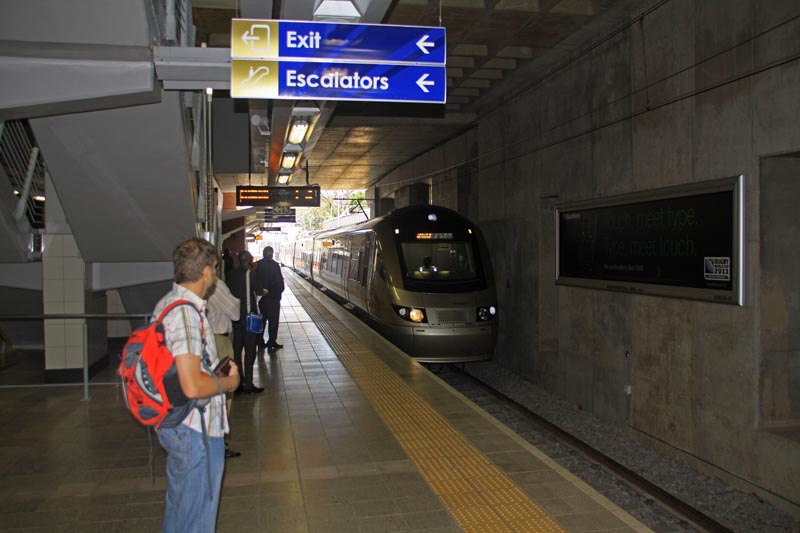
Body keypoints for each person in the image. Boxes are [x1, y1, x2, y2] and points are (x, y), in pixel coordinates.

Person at [152, 237, 240, 533]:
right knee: (197, 517)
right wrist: (228, 382)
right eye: (213, 269)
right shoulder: (185, 314)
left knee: (181, 508)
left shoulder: (168, 304)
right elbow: (191, 387)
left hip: (180, 424)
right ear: (205, 272)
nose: (214, 275)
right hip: (195, 429)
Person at [206, 276, 241, 459]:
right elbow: (235, 313)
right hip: (219, 340)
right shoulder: (215, 285)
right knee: (223, 395)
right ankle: (218, 443)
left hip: (213, 339)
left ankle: (215, 441)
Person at [227, 250, 263, 394]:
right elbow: (259, 290)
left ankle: (238, 382)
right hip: (249, 317)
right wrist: (255, 272)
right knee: (250, 350)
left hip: (236, 317)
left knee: (237, 350)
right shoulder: (251, 274)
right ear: (250, 260)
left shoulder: (231, 274)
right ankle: (248, 383)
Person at [254, 246, 285, 351]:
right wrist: (277, 294)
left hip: (261, 299)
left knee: (261, 321)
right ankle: (271, 342)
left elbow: (254, 281)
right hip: (274, 299)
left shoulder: (258, 265)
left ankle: (260, 341)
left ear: (263, 253)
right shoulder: (275, 265)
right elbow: (280, 283)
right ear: (272, 254)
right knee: (273, 321)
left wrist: (260, 292)